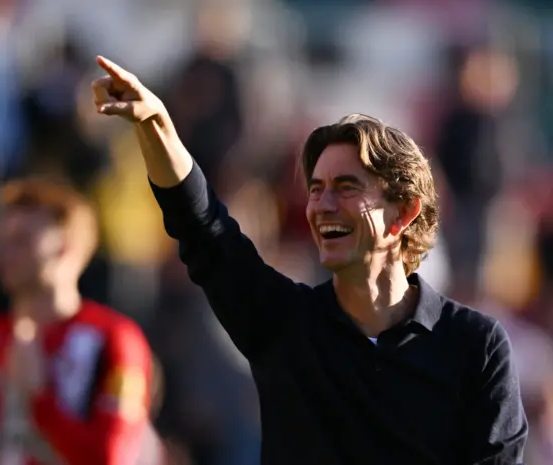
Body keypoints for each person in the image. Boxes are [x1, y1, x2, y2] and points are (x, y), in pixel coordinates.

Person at [91, 56, 528, 465]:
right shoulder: (284, 324)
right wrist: (156, 125)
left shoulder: (475, 346)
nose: (321, 205)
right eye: (316, 189)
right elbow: (203, 227)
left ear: (403, 211)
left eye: (346, 187)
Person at [0, 178, 156, 465]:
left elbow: (110, 458)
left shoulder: (115, 340)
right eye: (2, 241)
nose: (4, 253)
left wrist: (39, 400)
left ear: (65, 248)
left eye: (21, 241)